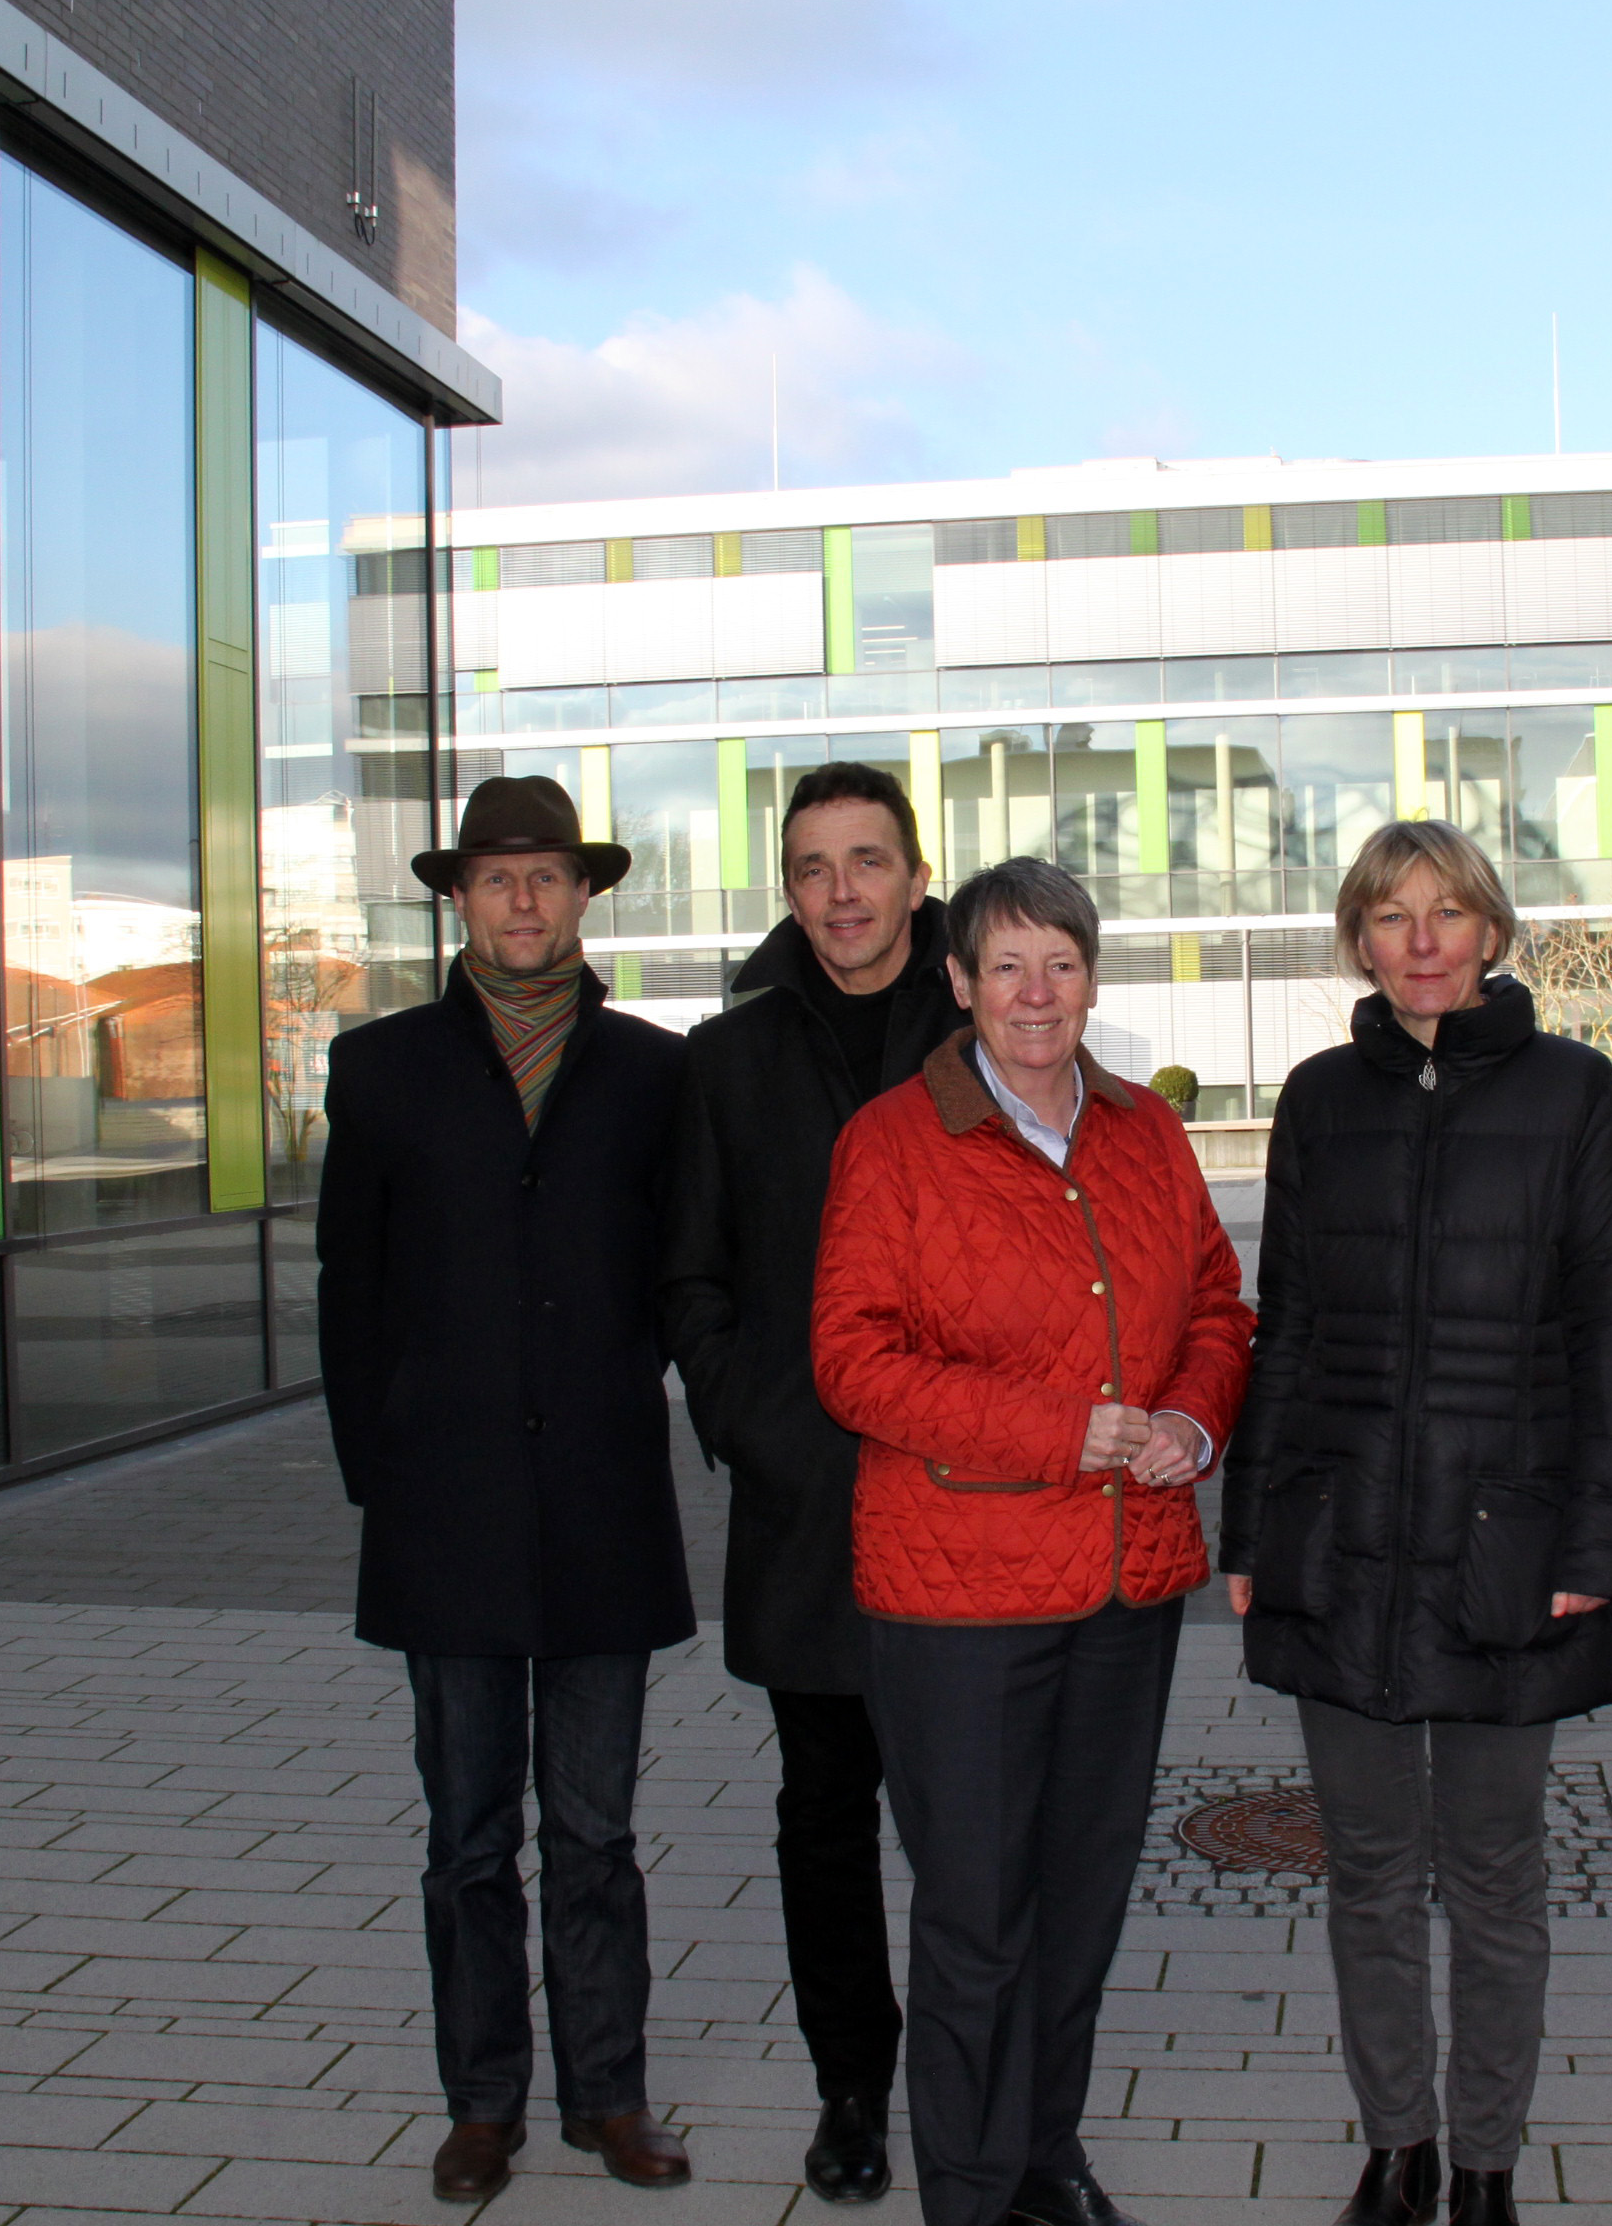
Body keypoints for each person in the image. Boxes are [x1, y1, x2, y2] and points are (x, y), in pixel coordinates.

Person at [1220, 818, 1612, 2226]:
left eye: (1448, 910)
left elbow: (1611, 1333)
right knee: (1367, 1874)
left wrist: (1598, 1546)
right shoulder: (1318, 1099)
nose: (1421, 938)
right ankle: (1395, 2145)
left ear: (1489, 931)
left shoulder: (1574, 1091)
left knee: (1494, 1875)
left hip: (1504, 1548)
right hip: (1340, 1539)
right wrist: (1250, 1537)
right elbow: (1278, 1335)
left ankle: (1483, 2165)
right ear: (1359, 935)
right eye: (1393, 913)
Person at [811, 858, 1255, 2226]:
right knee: (976, 1916)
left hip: (1125, 1587)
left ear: (1091, 976)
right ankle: (971, 2185)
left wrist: (1189, 1419)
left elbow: (1221, 1311)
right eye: (1004, 965)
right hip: (964, 1597)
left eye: (1058, 961)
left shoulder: (1143, 1135)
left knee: (1081, 1901)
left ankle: (1048, 2155)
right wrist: (1069, 1430)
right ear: (957, 983)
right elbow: (850, 1361)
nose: (1034, 992)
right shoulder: (894, 1141)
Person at [315, 774, 699, 2206]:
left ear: (584, 894)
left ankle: (610, 2094)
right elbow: (350, 1285)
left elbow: (684, 1274)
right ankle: (483, 2102)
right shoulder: (382, 1068)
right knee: (468, 1836)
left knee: (594, 1831)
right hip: (446, 1512)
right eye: (496, 877)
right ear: (457, 898)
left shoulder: (661, 1074)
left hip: (602, 1505)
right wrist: (383, 1463)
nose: (523, 900)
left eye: (547, 875)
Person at [660, 761, 959, 2203]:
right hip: (809, 1509)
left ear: (914, 873)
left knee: (973, 1816)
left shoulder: (983, 1018)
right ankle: (854, 2085)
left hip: (973, 1500)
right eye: (813, 867)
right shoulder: (730, 1056)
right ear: (790, 889)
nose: (842, 892)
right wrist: (753, 1421)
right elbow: (693, 1273)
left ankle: (983, 2083)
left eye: (867, 860)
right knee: (825, 1813)